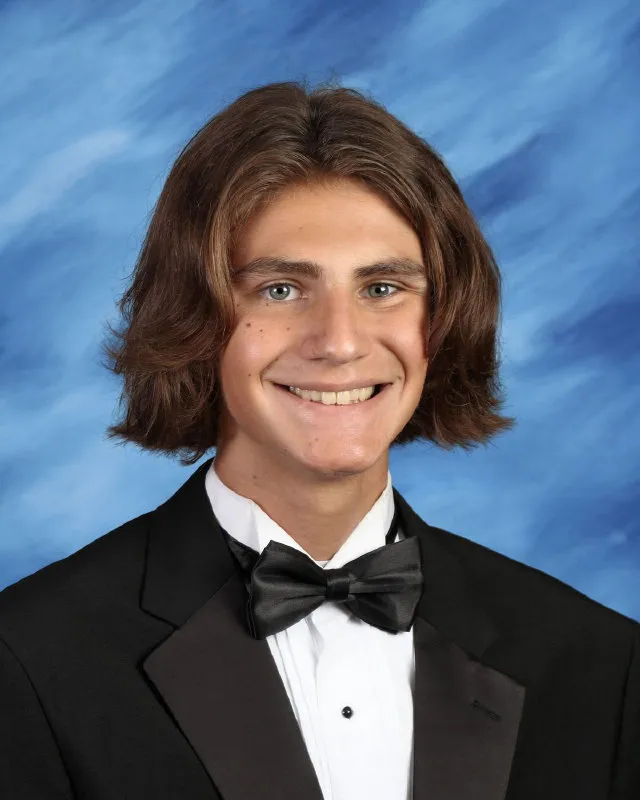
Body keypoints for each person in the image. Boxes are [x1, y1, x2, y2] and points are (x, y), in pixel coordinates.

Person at [0, 80, 638, 800]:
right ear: (195, 317)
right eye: (280, 289)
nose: (338, 343)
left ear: (444, 320)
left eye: (382, 288)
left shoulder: (596, 661)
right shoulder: (28, 659)